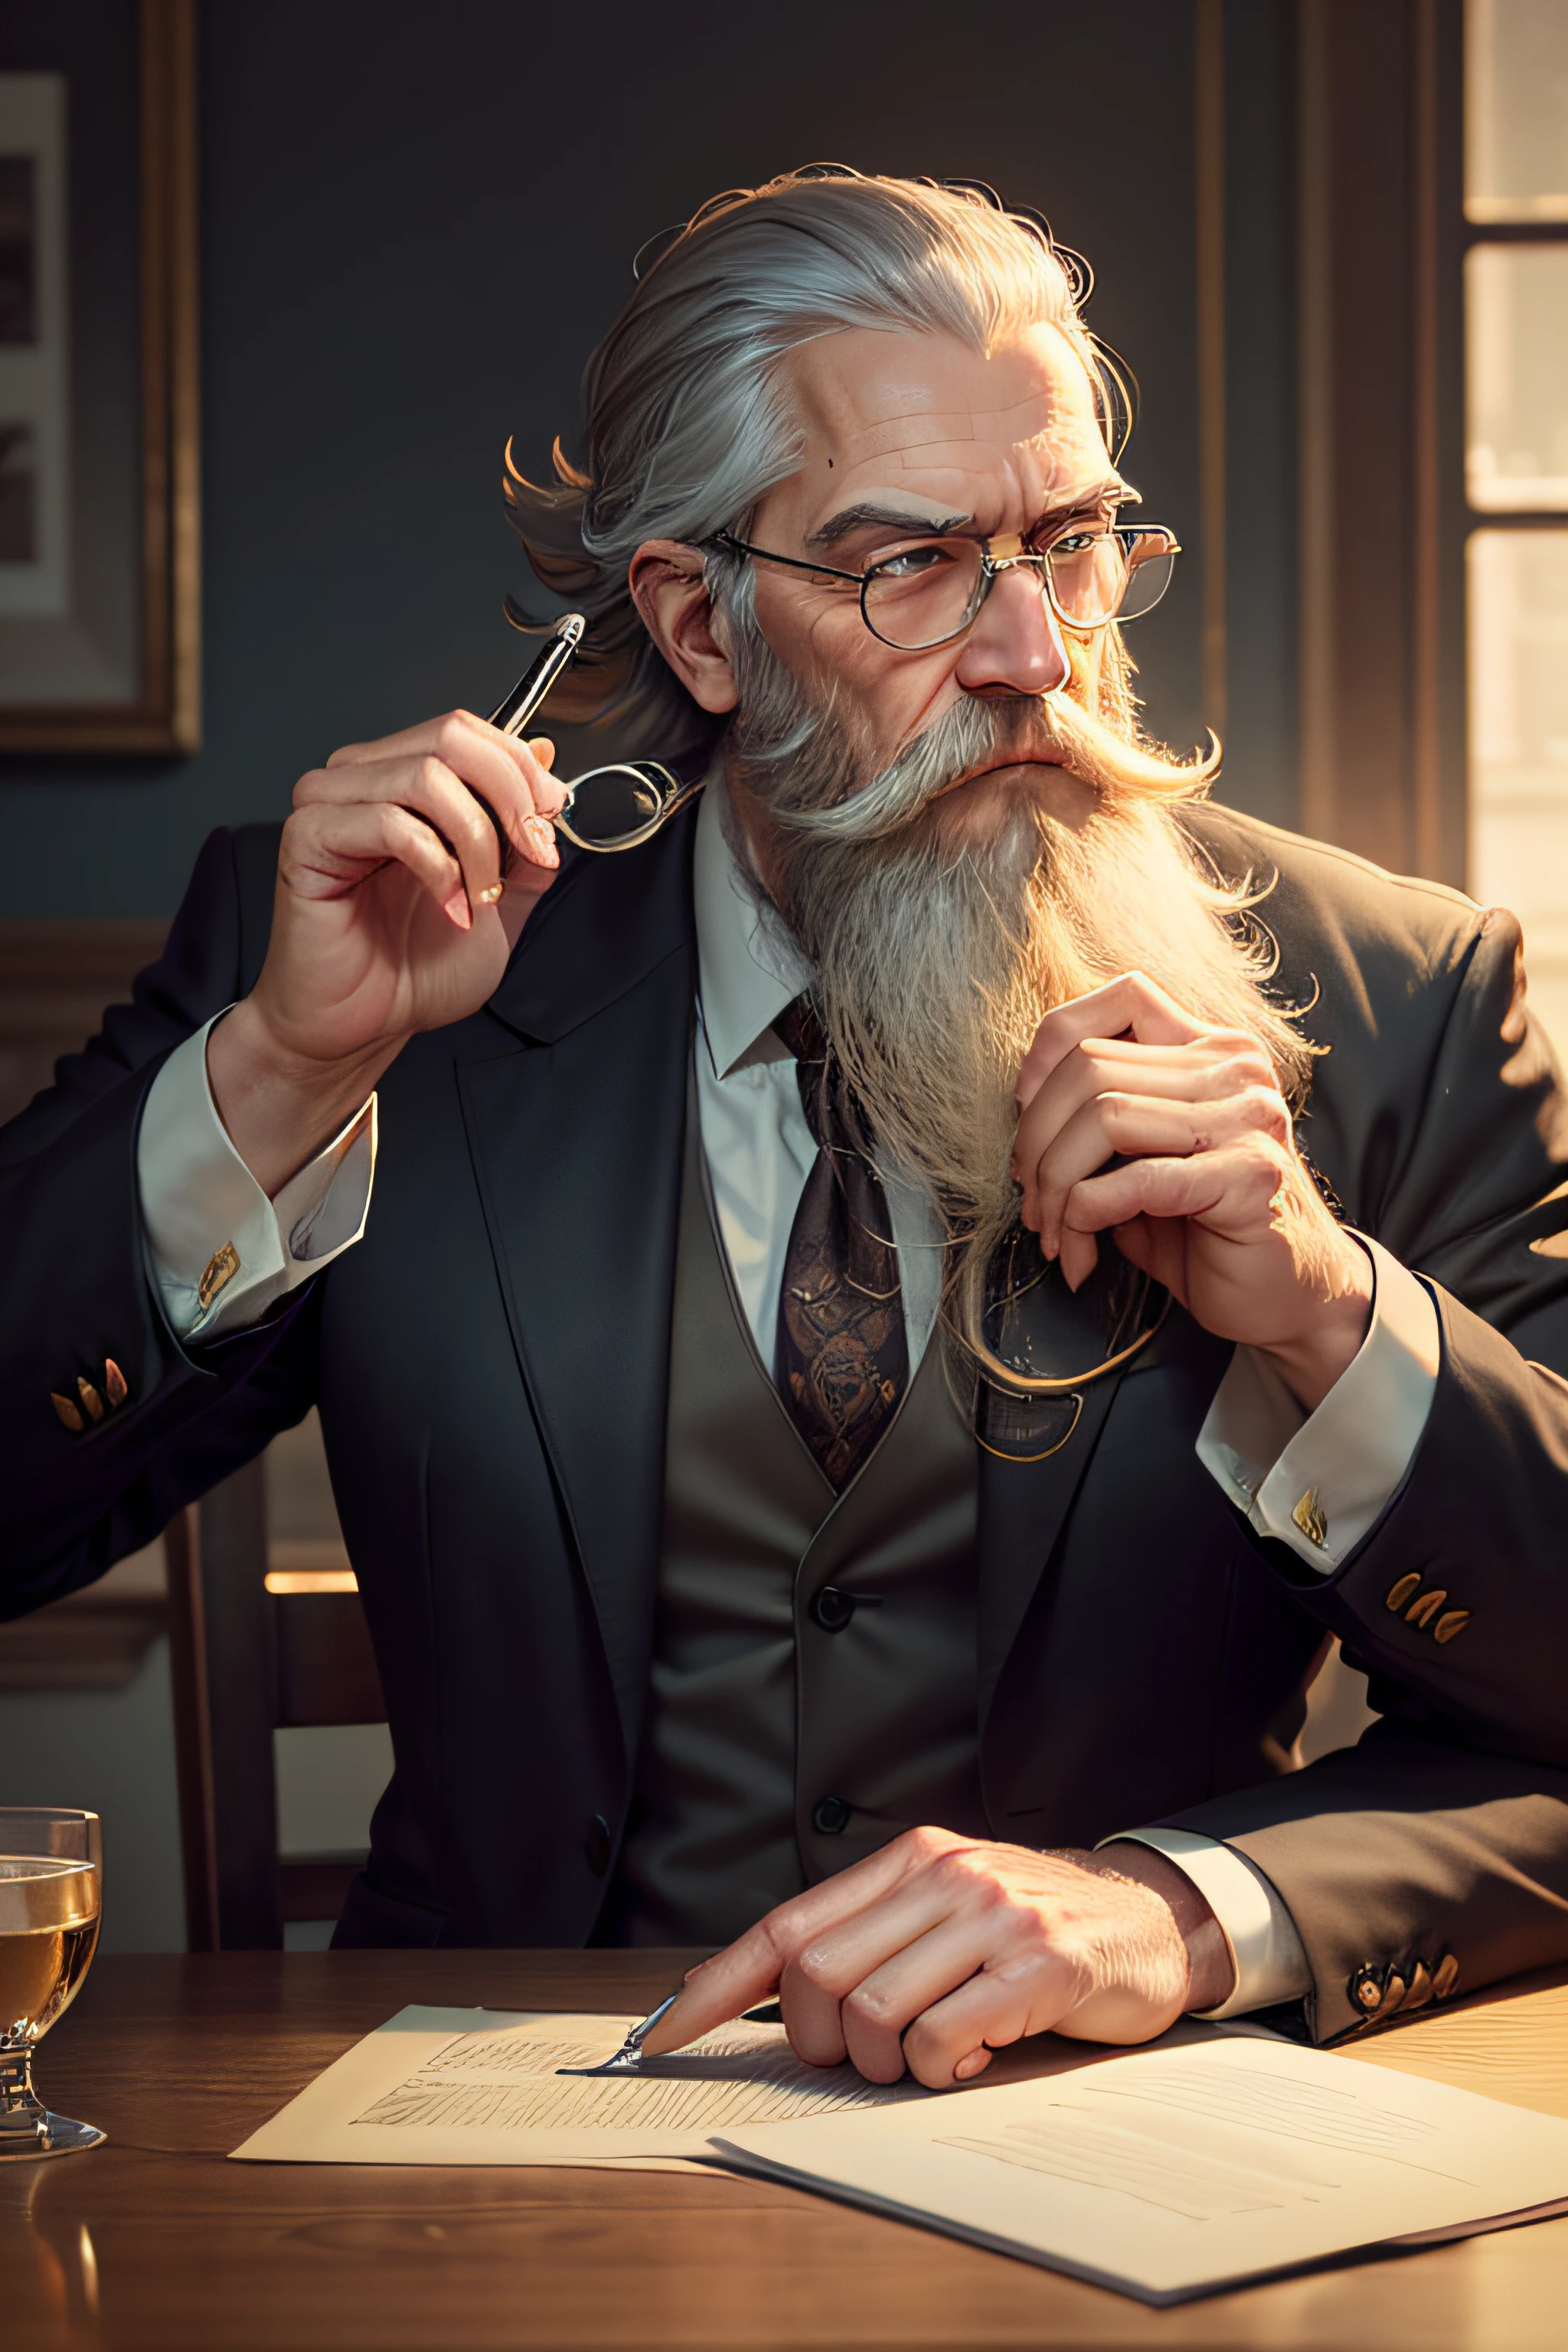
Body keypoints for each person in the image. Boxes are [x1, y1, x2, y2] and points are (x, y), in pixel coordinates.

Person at [5, 170, 1568, 2091]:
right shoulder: (367, 964)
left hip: (1131, 2160)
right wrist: (277, 1082)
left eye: (1072, 544)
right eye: (912, 563)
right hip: (473, 2161)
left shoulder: (1397, 1002)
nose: (1031, 654)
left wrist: (1325, 1320)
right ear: (702, 624)